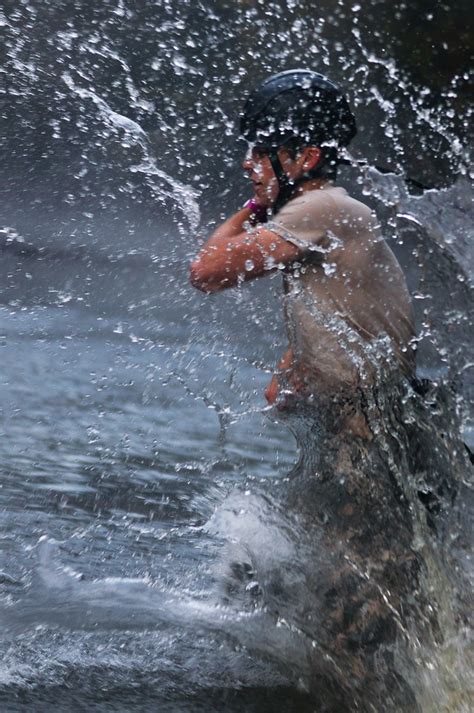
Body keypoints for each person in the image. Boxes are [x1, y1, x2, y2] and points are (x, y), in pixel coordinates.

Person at [190, 70, 416, 434]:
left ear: (307, 158)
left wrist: (255, 206)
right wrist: (296, 367)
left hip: (370, 432)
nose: (248, 163)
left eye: (262, 153)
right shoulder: (330, 212)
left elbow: (205, 272)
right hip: (372, 426)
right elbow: (349, 311)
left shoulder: (322, 207)